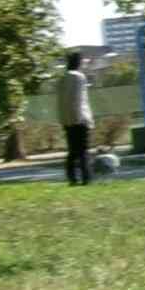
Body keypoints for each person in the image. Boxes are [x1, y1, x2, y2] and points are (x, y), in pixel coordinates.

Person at [52, 48, 94, 186]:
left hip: (67, 119)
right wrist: (85, 119)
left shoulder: (62, 78)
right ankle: (86, 178)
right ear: (79, 62)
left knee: (72, 151)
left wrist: (64, 119)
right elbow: (79, 100)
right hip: (80, 118)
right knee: (83, 151)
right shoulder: (79, 77)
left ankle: (72, 179)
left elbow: (60, 101)